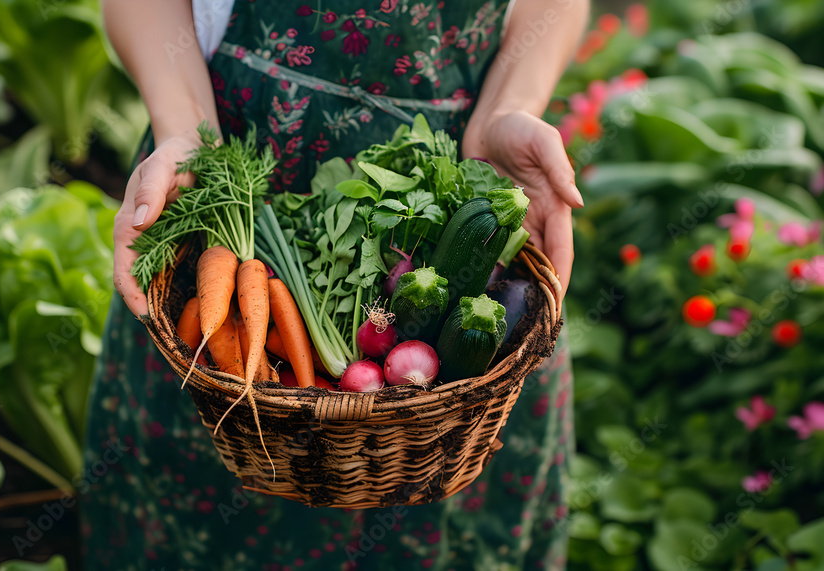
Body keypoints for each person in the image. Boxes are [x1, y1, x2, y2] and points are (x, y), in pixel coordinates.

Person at [81, 0, 587, 569]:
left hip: (449, 206)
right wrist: (185, 130)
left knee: (440, 464)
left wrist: (506, 109)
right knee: (209, 457)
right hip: (230, 166)